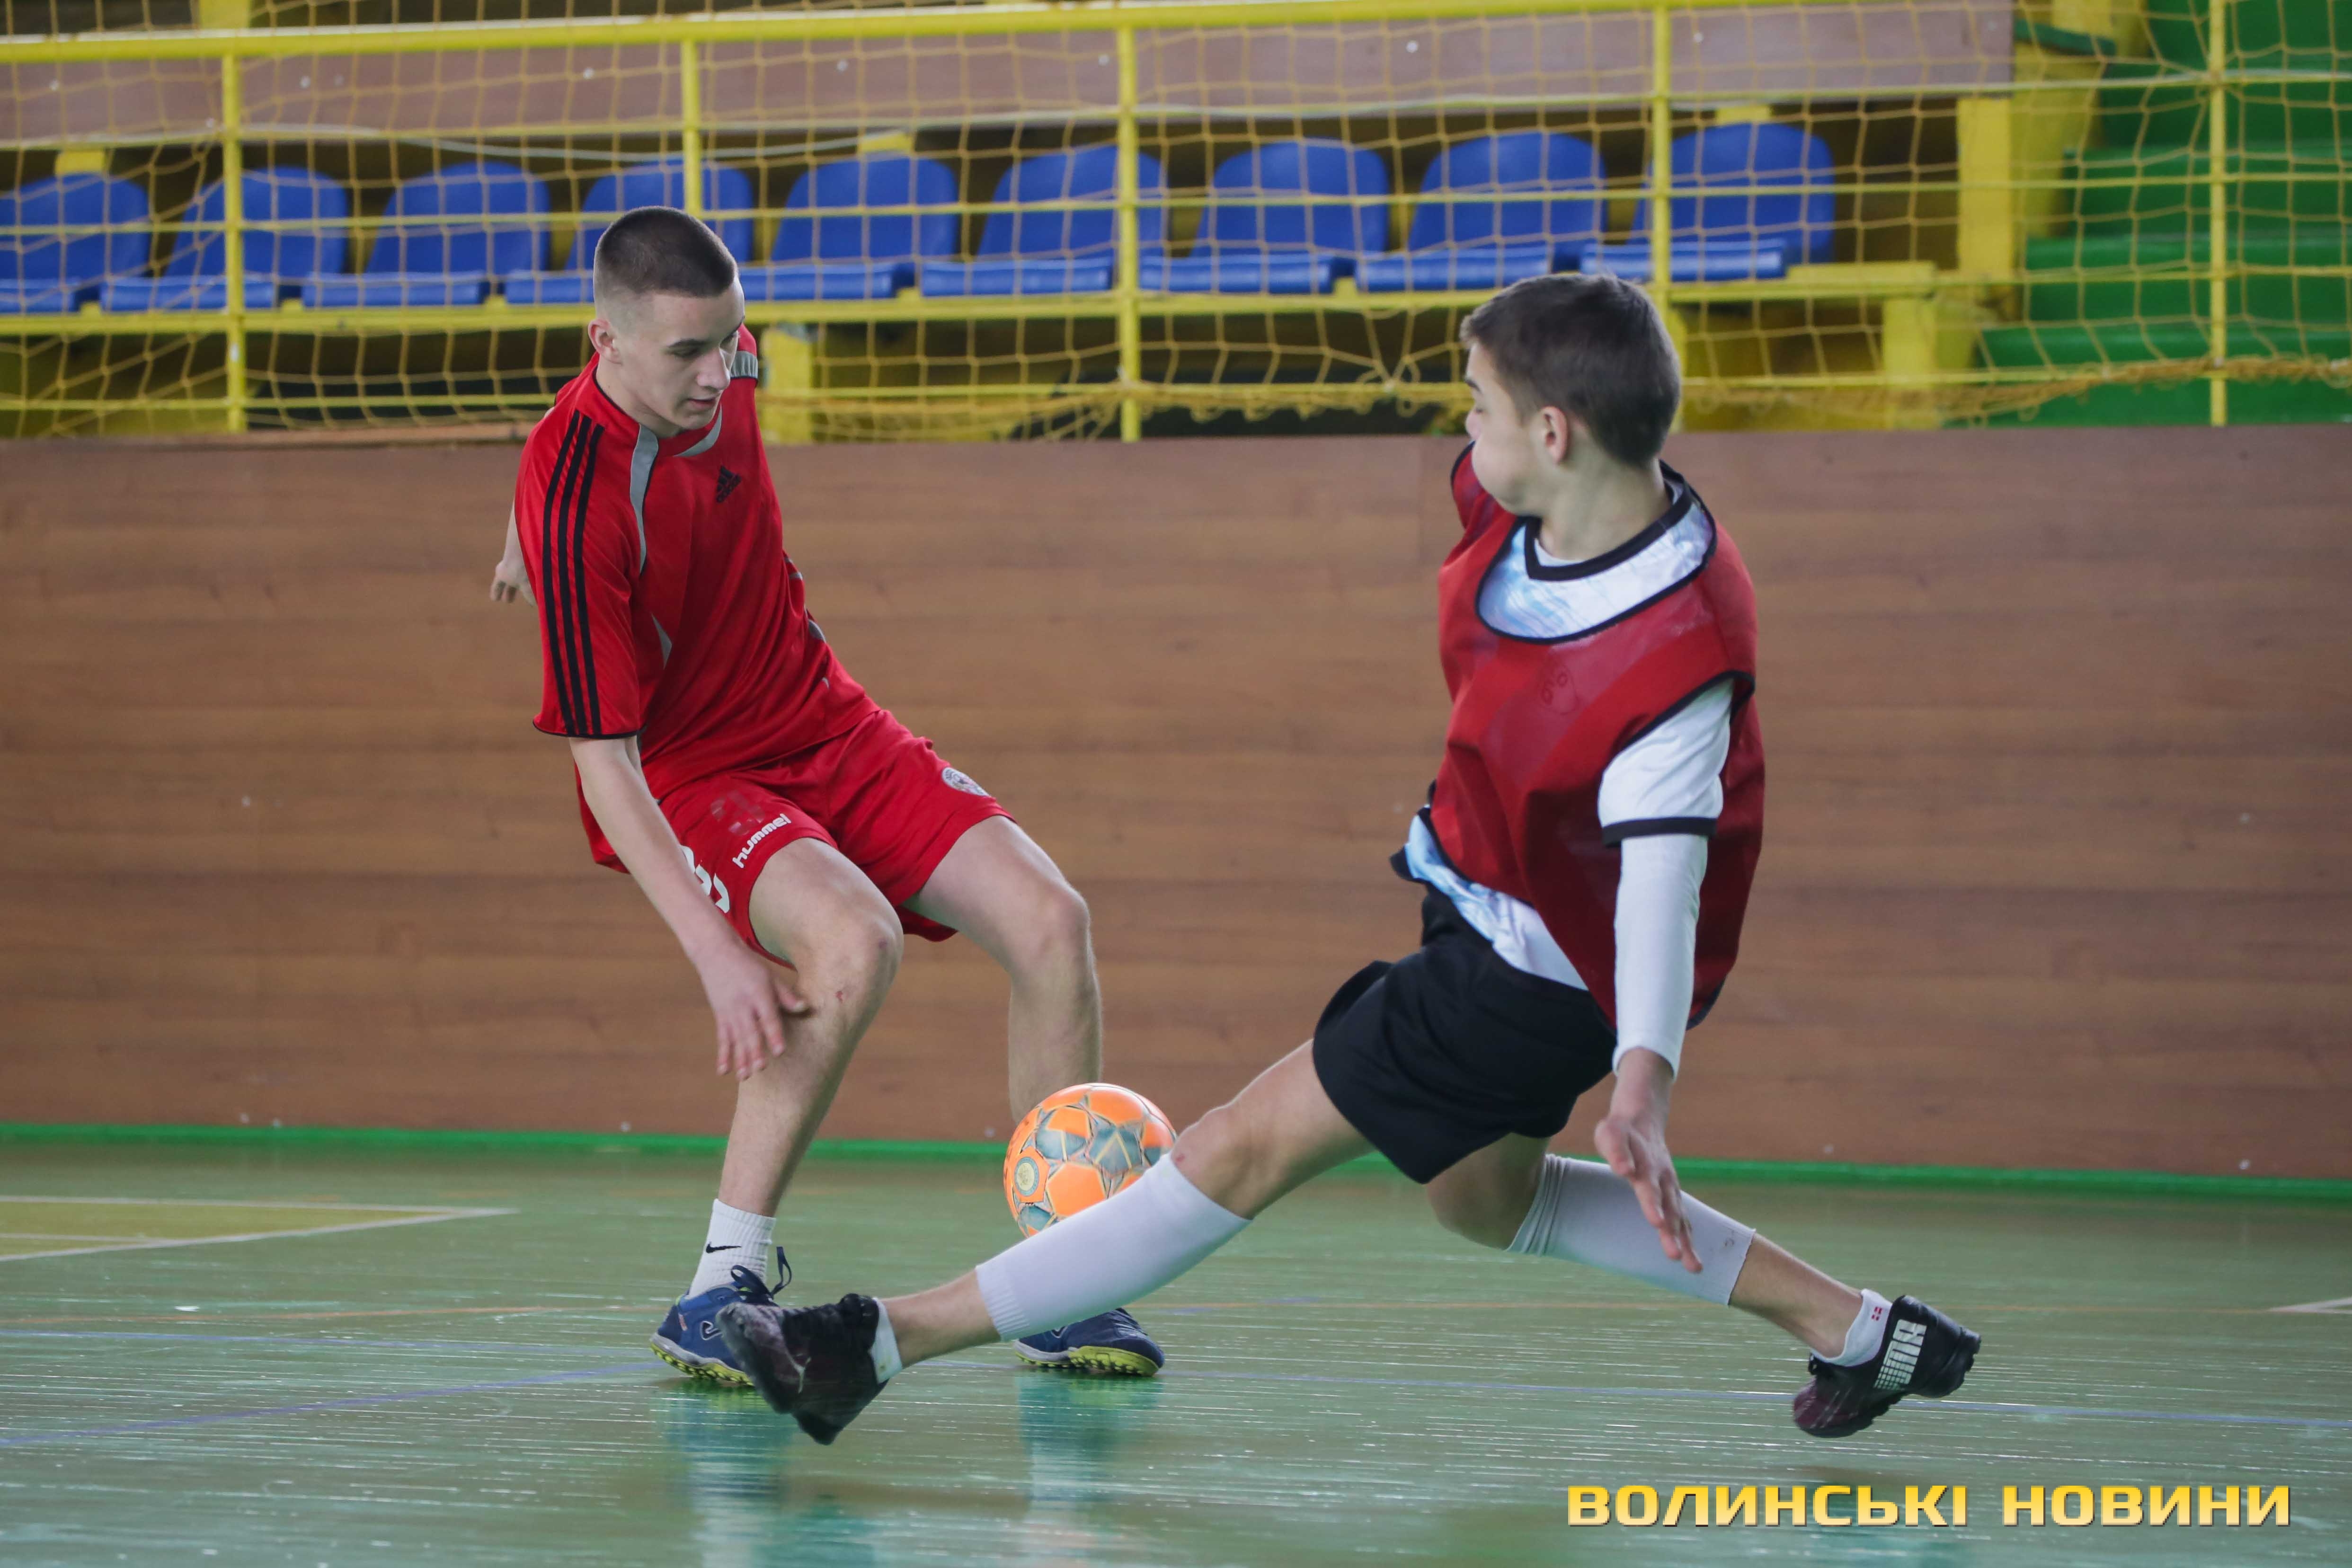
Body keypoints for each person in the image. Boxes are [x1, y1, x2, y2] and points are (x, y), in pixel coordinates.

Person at [708, 273, 1982, 1445]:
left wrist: (1642, 1081)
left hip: (1527, 980)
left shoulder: (1672, 665)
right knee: (1487, 1201)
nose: (1463, 424)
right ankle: (1864, 1331)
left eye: (1479, 404)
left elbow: (1663, 891)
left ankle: (869, 1345)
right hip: (1489, 906)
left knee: (1236, 1148)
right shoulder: (1540, 497)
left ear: (1554, 433)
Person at [492, 205, 1163, 1383]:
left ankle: (1061, 1283)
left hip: (823, 717)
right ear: (607, 340)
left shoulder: (717, 355)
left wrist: (508, 531)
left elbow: (648, 368)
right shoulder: (579, 501)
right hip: (694, 773)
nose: (718, 375)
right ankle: (718, 1286)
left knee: (1052, 922)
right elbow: (604, 764)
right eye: (687, 353)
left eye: (727, 342)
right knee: (852, 942)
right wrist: (718, 954)